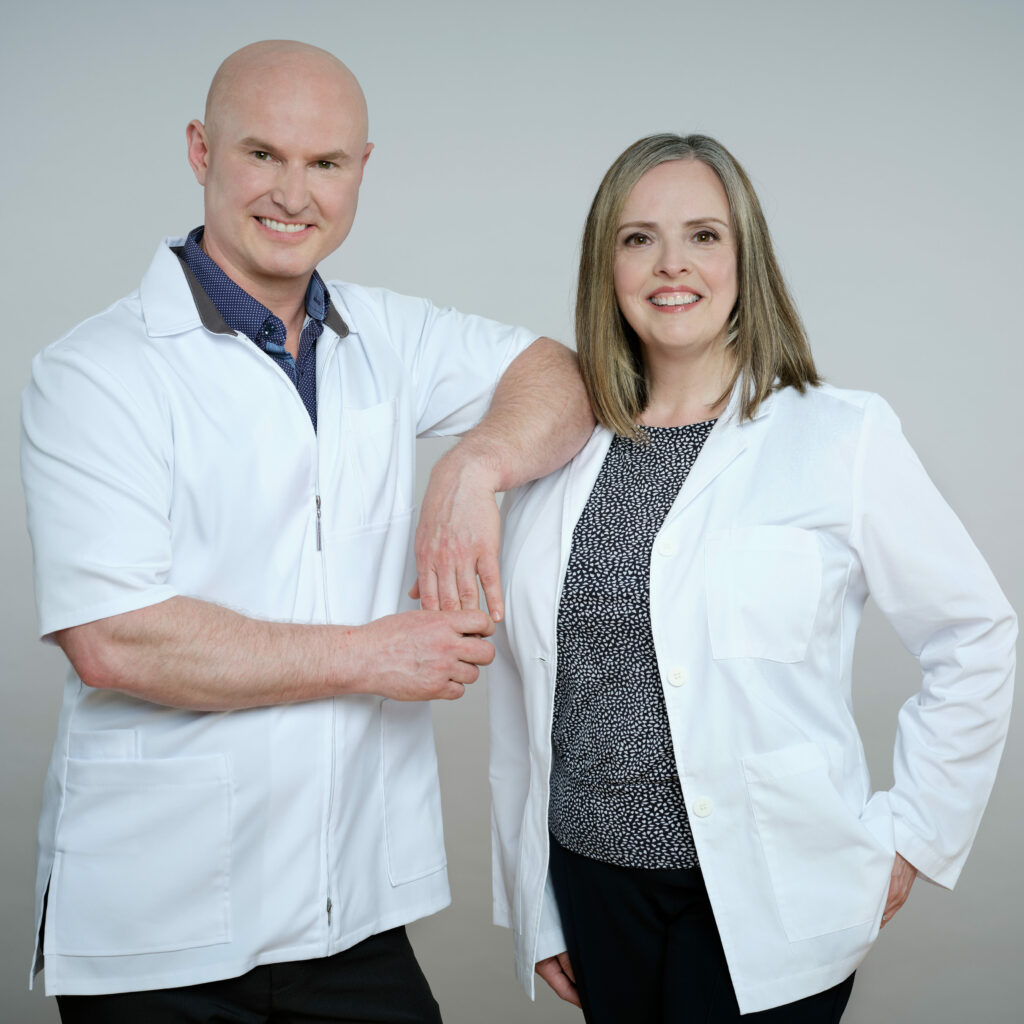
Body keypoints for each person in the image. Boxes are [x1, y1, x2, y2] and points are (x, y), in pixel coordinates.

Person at [20, 40, 593, 1023]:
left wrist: (472, 466)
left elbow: (561, 376)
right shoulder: (95, 372)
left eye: (324, 163)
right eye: (262, 155)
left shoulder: (387, 336)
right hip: (159, 931)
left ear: (360, 170)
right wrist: (374, 655)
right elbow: (111, 638)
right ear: (201, 151)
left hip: (351, 916)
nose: (293, 193)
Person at [487, 133, 1015, 1022]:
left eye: (703, 235)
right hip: (593, 884)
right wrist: (535, 903)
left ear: (745, 258)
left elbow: (976, 634)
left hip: (770, 891)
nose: (670, 265)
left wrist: (916, 834)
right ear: (605, 264)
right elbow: (524, 686)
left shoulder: (839, 435)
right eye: (637, 237)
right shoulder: (558, 450)